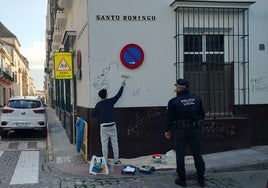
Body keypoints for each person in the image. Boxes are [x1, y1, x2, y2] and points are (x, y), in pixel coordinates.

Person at [164, 78, 206, 187]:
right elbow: (202, 115)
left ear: (179, 88)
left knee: (180, 154)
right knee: (197, 153)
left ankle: (182, 180)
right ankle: (201, 179)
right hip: (194, 129)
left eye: (176, 87)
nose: (176, 89)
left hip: (180, 131)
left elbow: (169, 117)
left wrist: (167, 130)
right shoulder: (197, 99)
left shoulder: (174, 101)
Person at [92, 80, 126, 165]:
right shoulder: (111, 101)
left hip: (103, 126)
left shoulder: (98, 105)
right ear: (106, 95)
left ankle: (105, 161)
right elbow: (118, 95)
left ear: (100, 96)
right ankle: (116, 160)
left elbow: (94, 114)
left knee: (104, 144)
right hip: (112, 125)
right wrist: (122, 86)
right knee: (114, 143)